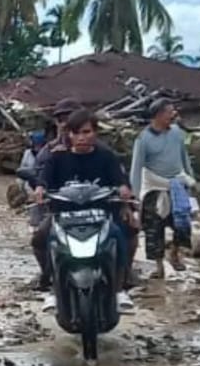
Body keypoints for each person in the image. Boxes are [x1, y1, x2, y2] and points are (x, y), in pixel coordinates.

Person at [35, 109, 135, 302]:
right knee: (40, 238)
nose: (81, 137)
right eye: (76, 132)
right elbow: (43, 180)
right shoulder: (57, 158)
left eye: (86, 132)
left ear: (95, 133)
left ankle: (120, 284)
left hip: (100, 215)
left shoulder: (106, 157)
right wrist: (39, 189)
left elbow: (120, 179)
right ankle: (49, 279)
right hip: (64, 216)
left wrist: (124, 190)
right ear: (69, 134)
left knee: (123, 233)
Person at [131, 98, 196, 279]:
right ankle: (158, 266)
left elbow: (184, 158)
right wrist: (135, 197)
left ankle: (175, 253)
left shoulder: (176, 133)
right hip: (154, 186)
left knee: (182, 225)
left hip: (177, 184)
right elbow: (136, 168)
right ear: (158, 115)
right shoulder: (143, 139)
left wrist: (191, 180)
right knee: (154, 229)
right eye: (169, 111)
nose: (173, 114)